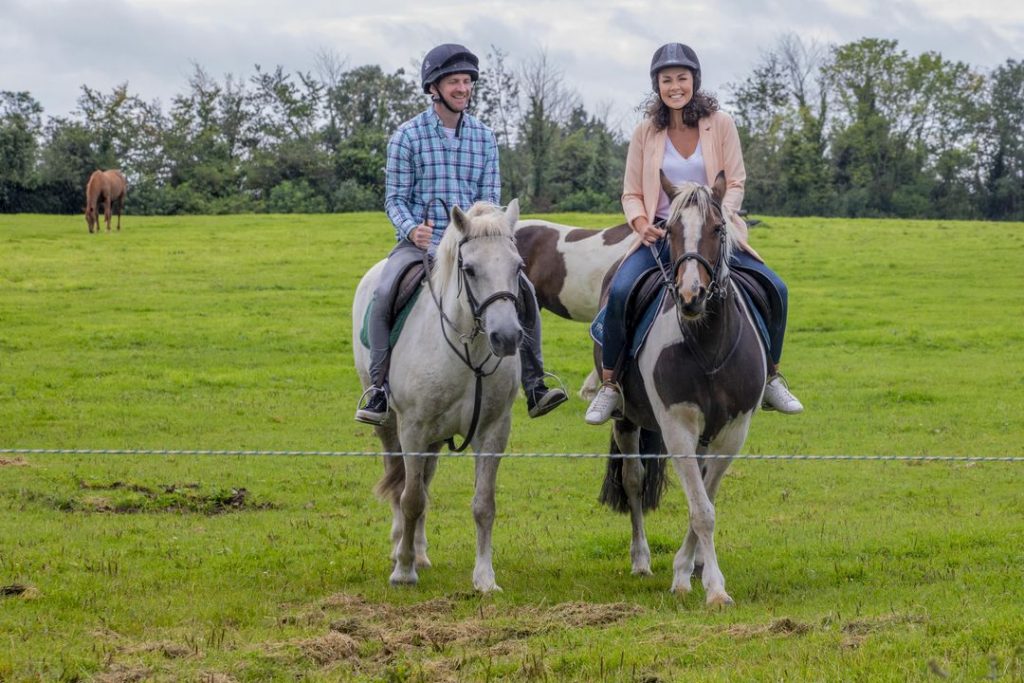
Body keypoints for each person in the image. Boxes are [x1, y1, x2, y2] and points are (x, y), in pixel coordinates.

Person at [584, 42, 804, 425]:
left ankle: (771, 376)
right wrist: (640, 223)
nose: (674, 86)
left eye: (681, 78)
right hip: (663, 234)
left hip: (713, 233)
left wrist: (721, 216)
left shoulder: (720, 124)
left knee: (776, 289)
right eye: (666, 80)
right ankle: (610, 385)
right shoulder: (645, 132)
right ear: (657, 85)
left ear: (694, 81)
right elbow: (631, 192)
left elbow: (734, 181)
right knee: (619, 292)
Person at [355, 43, 567, 425]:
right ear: (434, 87)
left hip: (475, 245)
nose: (463, 88)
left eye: (467, 81)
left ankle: (535, 383)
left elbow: (489, 199)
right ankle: (378, 389)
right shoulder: (406, 137)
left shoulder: (484, 137)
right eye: (454, 81)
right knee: (385, 291)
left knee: (527, 292)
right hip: (422, 244)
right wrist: (411, 230)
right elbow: (395, 199)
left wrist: (482, 232)